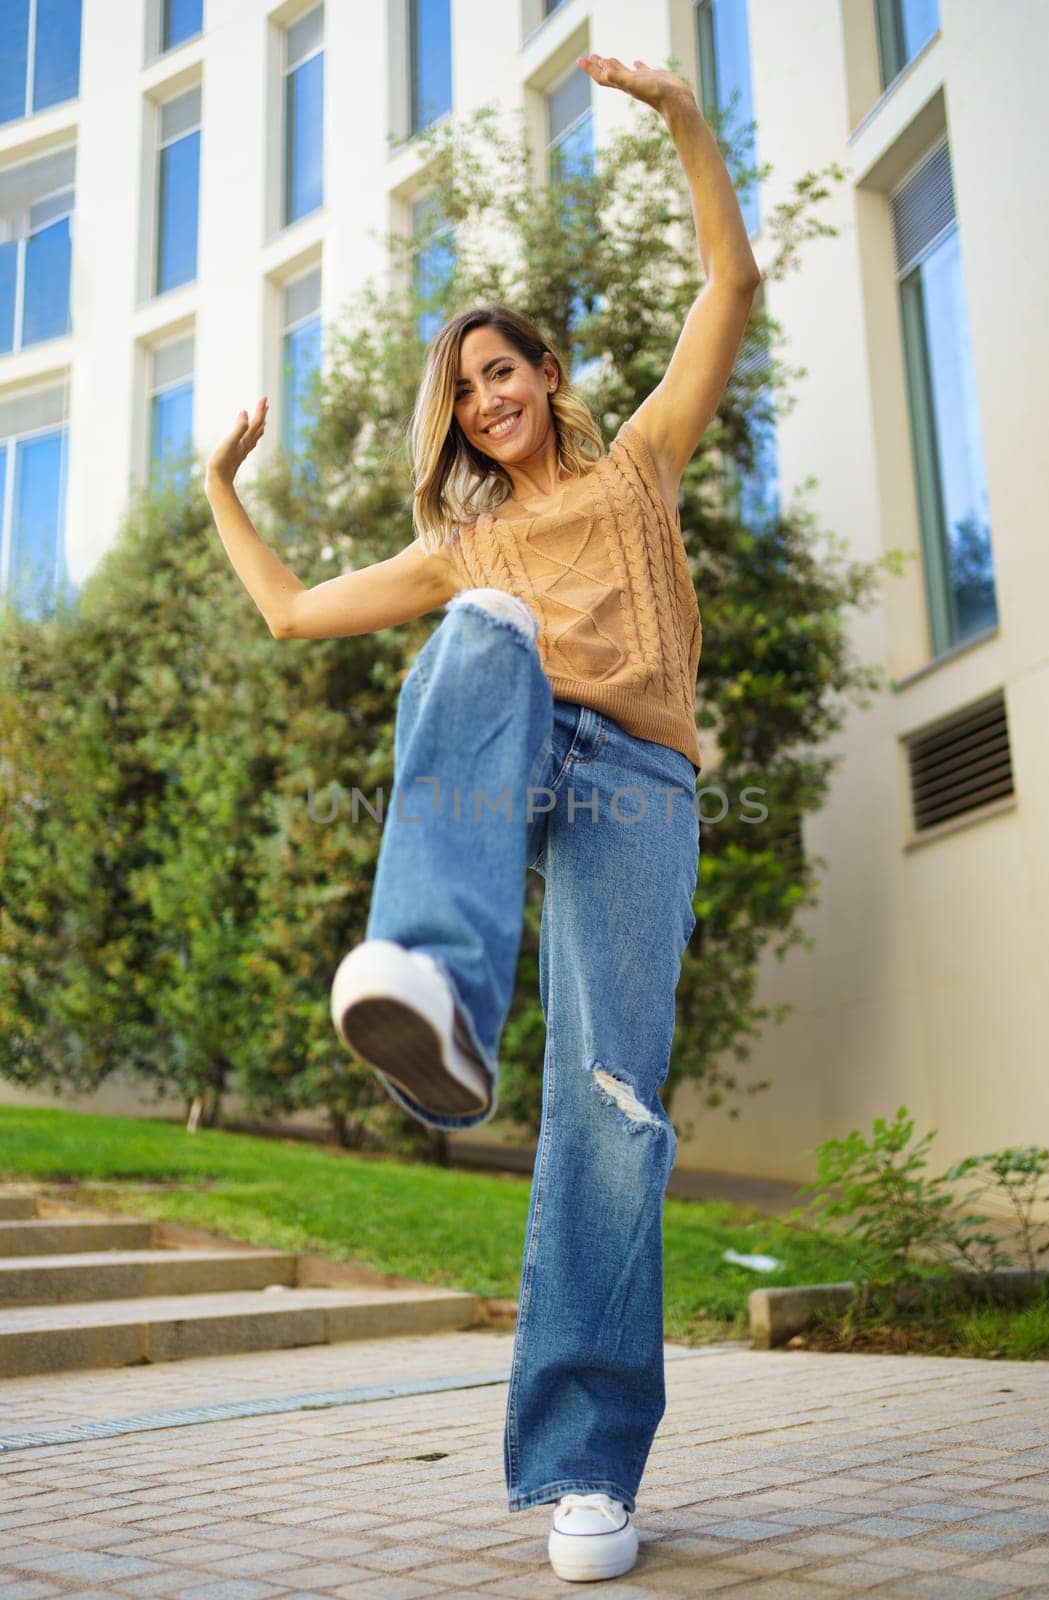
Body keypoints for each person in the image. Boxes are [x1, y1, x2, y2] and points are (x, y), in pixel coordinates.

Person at [205, 52, 760, 1586]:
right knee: (486, 628)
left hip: (635, 784)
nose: (485, 400)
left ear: (548, 376)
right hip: (514, 743)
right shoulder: (467, 546)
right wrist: (220, 492)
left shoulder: (638, 467)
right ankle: (436, 975)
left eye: (500, 371)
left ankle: (588, 1466)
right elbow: (298, 614)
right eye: (461, 392)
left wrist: (686, 126)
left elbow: (729, 283)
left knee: (610, 1105)